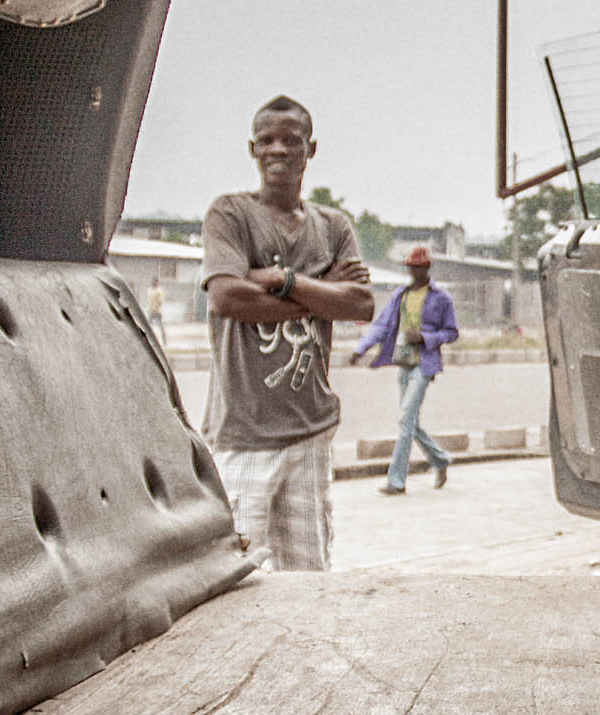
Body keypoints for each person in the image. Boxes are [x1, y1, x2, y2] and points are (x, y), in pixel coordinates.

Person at [198, 98, 371, 569]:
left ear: (310, 149)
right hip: (245, 432)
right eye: (267, 140)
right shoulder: (230, 214)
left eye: (291, 140)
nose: (278, 149)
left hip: (310, 430)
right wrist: (321, 292)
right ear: (252, 148)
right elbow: (227, 298)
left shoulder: (332, 226)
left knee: (309, 573)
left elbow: (360, 304)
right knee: (240, 572)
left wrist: (281, 279)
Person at [352, 243, 463, 494]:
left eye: (420, 267)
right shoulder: (400, 296)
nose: (415, 272)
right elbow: (382, 325)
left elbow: (451, 332)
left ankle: (396, 480)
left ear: (428, 268)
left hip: (424, 364)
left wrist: (425, 337)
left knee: (405, 419)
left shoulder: (441, 298)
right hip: (404, 361)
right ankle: (440, 459)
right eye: (412, 267)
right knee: (410, 421)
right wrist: (361, 348)